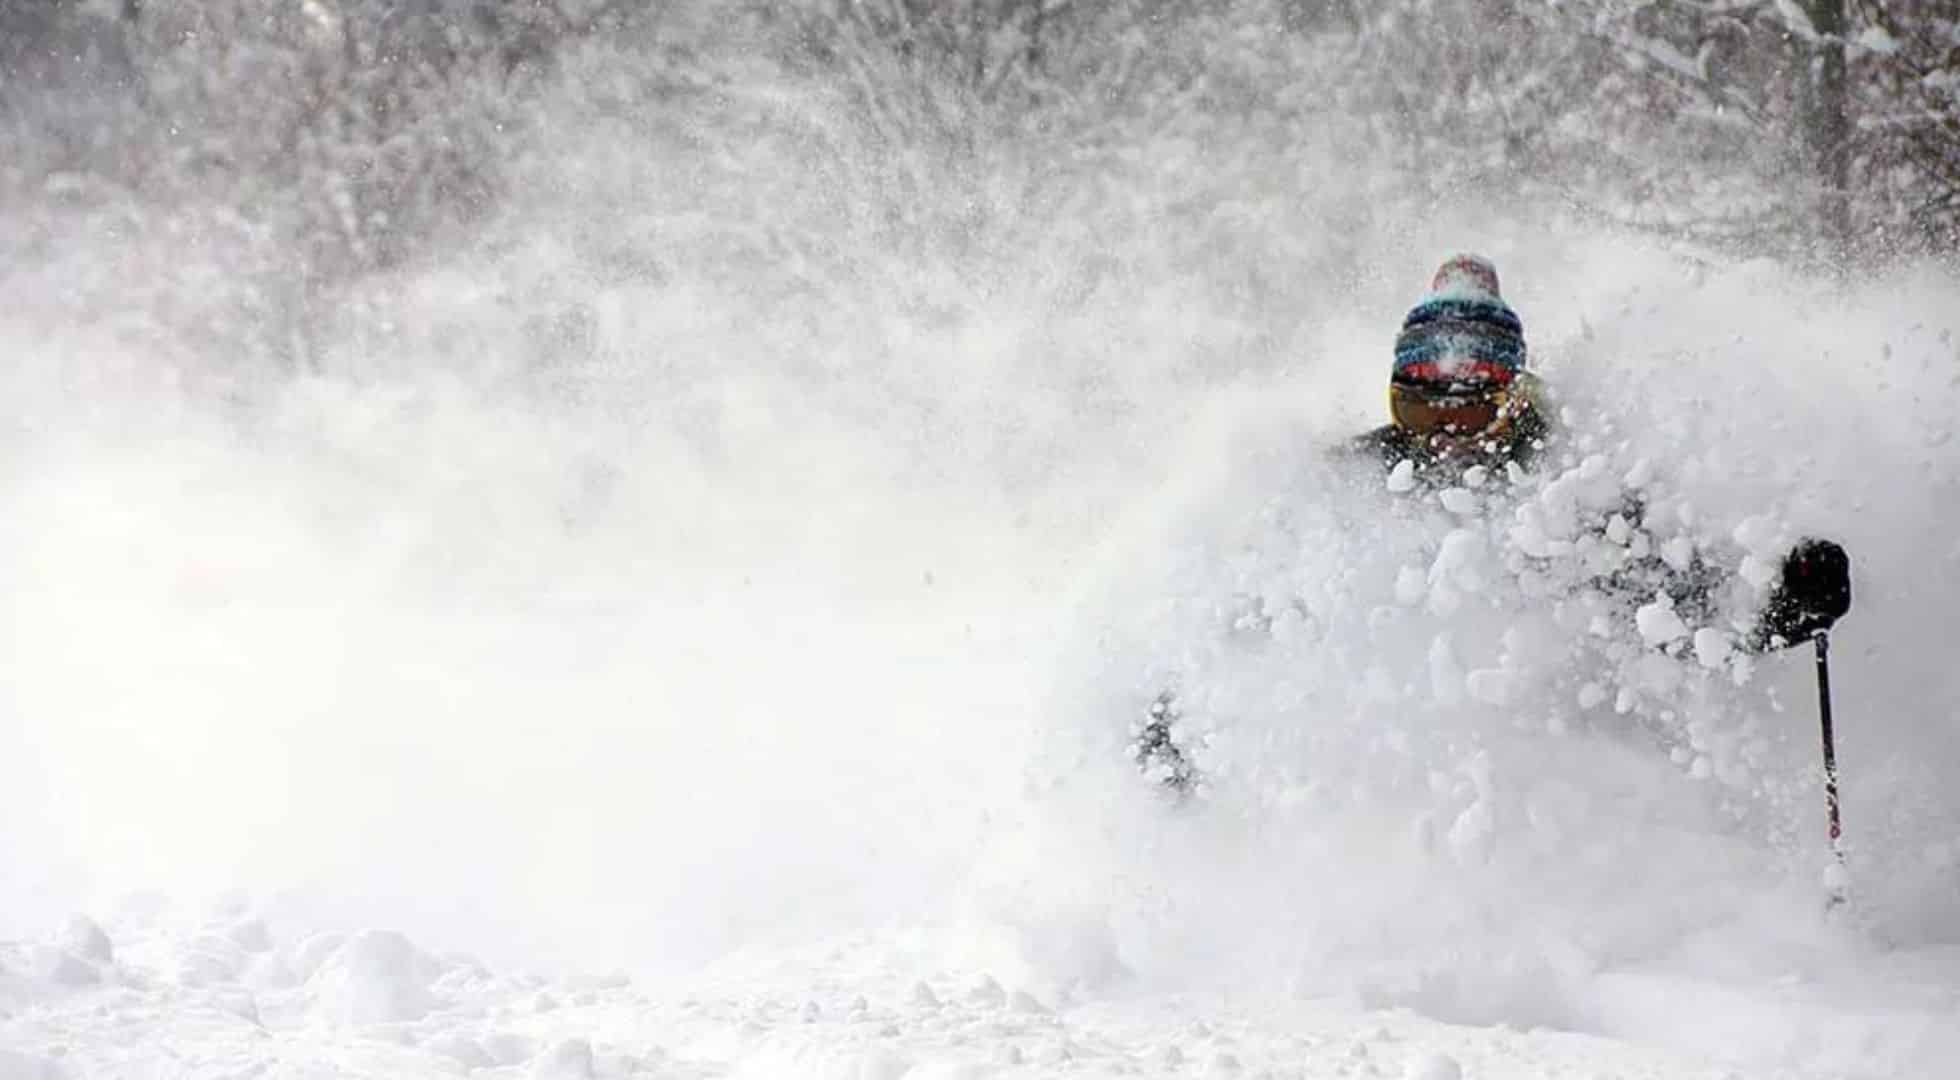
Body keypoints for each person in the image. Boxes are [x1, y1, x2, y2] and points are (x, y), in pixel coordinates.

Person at [1133, 254, 1851, 793]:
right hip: (1385, 784)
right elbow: (1252, 610)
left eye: (1469, 412)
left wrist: (1791, 606)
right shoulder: (1349, 484)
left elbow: (1691, 622)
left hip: (1557, 780)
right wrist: (1185, 714)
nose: (1445, 439)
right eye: (1420, 410)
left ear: (1512, 397)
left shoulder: (1576, 494)